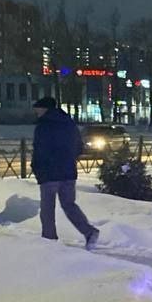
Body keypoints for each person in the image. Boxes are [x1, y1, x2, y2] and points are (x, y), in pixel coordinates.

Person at [31, 97, 100, 248]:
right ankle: (89, 232)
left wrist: (37, 168)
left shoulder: (44, 125)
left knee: (47, 208)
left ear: (44, 109)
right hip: (68, 172)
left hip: (49, 172)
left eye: (37, 109)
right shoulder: (69, 123)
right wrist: (68, 160)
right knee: (69, 205)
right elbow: (79, 147)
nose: (36, 112)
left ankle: (49, 241)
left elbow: (40, 150)